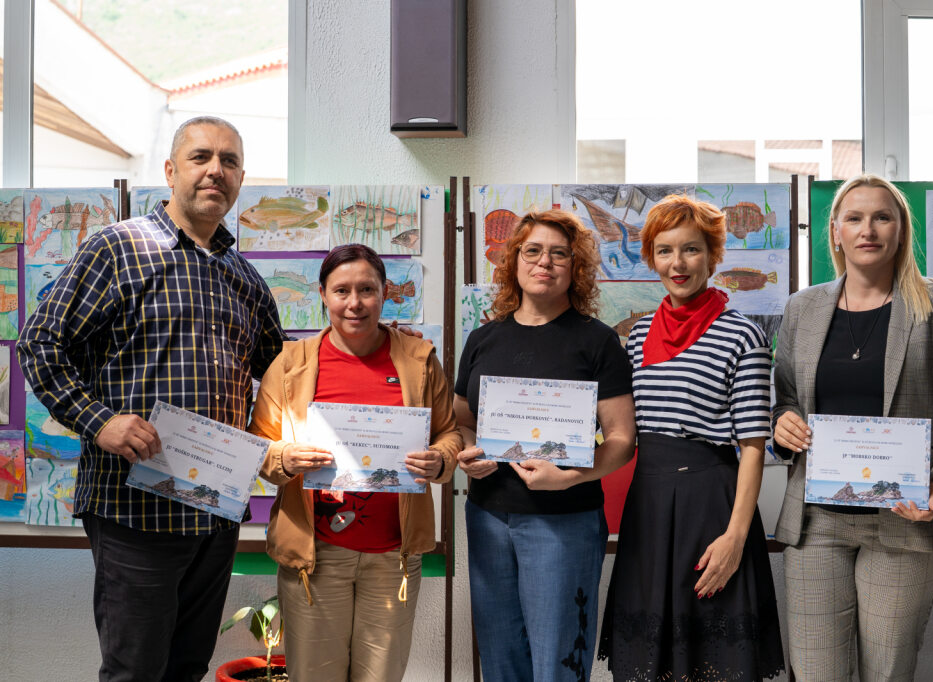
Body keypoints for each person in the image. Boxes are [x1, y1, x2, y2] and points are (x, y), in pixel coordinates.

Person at [17, 116, 287, 681]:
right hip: (134, 508)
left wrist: (376, 344)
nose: (216, 170)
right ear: (169, 170)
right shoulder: (117, 248)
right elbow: (40, 343)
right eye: (201, 157)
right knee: (135, 670)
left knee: (188, 667)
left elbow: (287, 375)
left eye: (230, 161)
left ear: (241, 179)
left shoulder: (245, 278)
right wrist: (100, 422)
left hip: (215, 511)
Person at [772, 174, 933, 681]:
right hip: (817, 520)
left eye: (882, 217)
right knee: (815, 671)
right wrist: (782, 423)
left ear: (901, 230)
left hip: (904, 519)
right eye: (854, 218)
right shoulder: (803, 307)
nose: (867, 229)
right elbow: (785, 399)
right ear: (836, 231)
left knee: (886, 672)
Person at [248, 243, 461, 682]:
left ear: (385, 293)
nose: (355, 303)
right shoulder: (290, 363)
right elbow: (258, 445)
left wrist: (440, 459)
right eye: (341, 290)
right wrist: (285, 456)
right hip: (316, 557)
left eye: (367, 289)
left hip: (393, 556)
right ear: (322, 294)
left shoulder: (419, 359)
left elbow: (450, 433)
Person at [597, 194, 786, 681]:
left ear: (713, 256)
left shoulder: (742, 335)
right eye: (664, 251)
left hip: (712, 505)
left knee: (714, 659)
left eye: (691, 249)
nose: (677, 263)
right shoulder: (638, 336)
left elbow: (752, 446)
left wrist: (736, 538)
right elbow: (620, 428)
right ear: (651, 258)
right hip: (648, 504)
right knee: (648, 662)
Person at [454, 209, 636, 682]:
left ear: (576, 267)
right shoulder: (483, 338)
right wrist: (469, 452)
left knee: (558, 661)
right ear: (514, 260)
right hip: (488, 516)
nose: (545, 262)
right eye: (532, 251)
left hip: (564, 519)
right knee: (500, 658)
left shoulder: (597, 342)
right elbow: (462, 418)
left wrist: (569, 476)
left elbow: (621, 440)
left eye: (559, 254)